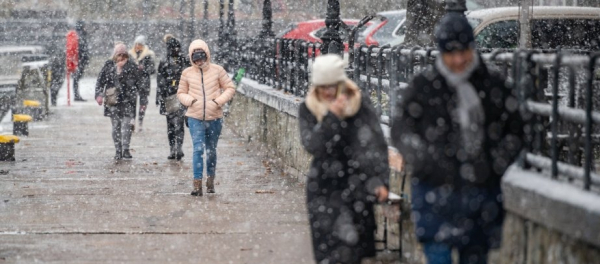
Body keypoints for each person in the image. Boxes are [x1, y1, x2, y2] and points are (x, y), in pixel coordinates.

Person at [390, 13, 524, 264]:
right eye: (451, 52)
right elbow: (401, 130)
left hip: (480, 193)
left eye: (464, 50)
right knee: (438, 255)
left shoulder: (491, 84)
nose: (459, 59)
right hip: (433, 191)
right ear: (441, 53)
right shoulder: (424, 86)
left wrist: (494, 164)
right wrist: (424, 161)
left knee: (475, 256)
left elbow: (515, 131)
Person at [298, 54, 390, 264]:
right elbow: (313, 145)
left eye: (333, 86)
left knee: (354, 252)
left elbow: (375, 145)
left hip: (357, 187)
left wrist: (380, 180)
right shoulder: (308, 108)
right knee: (329, 253)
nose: (329, 92)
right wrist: (332, 118)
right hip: (323, 188)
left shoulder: (359, 104)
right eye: (323, 87)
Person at [177, 39, 235, 196]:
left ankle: (210, 181)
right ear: (191, 57)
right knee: (197, 149)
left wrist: (218, 101)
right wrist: (190, 101)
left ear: (207, 55)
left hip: (214, 117)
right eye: (195, 57)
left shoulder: (217, 70)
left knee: (211, 150)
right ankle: (197, 185)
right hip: (195, 117)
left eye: (201, 56)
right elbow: (181, 92)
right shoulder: (187, 73)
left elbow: (230, 87)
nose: (199, 61)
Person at [95, 43, 140, 160]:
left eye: (123, 54)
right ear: (115, 54)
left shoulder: (132, 66)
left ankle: (125, 149)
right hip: (113, 101)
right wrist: (99, 95)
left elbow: (139, 83)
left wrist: (143, 100)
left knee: (127, 126)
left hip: (128, 100)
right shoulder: (109, 65)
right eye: (118, 54)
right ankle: (118, 150)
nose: (121, 57)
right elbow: (100, 81)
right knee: (116, 126)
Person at [157, 34, 189, 160]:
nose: (175, 50)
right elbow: (160, 79)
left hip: (181, 95)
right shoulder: (164, 62)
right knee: (170, 124)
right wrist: (160, 94)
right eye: (173, 48)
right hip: (169, 95)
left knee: (179, 123)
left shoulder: (184, 60)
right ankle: (172, 148)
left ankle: (179, 147)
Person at [129, 35, 156, 132]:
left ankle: (140, 121)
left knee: (143, 103)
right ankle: (132, 120)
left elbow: (152, 70)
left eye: (139, 44)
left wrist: (144, 69)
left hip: (144, 82)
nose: (137, 46)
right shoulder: (130, 55)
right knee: (132, 102)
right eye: (136, 44)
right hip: (132, 82)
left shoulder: (148, 55)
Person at [73, 20, 89, 102]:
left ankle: (76, 95)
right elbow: (83, 49)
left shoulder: (78, 35)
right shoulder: (81, 35)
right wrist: (84, 59)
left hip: (79, 61)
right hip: (80, 61)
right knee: (76, 79)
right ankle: (76, 95)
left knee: (76, 79)